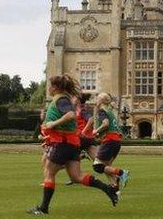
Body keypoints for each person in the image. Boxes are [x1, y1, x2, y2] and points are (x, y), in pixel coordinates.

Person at [27, 74, 118, 215]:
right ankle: (108, 189)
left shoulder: (61, 99)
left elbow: (70, 115)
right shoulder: (63, 99)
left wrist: (52, 124)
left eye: (50, 86)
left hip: (62, 144)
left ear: (56, 87)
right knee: (76, 177)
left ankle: (43, 208)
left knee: (49, 173)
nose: (49, 88)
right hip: (71, 144)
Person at [90, 93, 130, 191]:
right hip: (116, 141)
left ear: (101, 101)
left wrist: (96, 131)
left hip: (110, 140)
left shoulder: (102, 110)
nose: (96, 100)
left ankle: (121, 173)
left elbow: (105, 124)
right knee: (106, 167)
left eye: (97, 98)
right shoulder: (110, 111)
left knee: (97, 166)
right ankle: (115, 187)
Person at [75, 93, 97, 161]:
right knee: (98, 162)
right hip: (89, 138)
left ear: (78, 100)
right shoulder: (80, 110)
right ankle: (120, 172)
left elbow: (91, 119)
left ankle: (81, 155)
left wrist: (83, 131)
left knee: (69, 160)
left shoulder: (82, 110)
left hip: (81, 138)